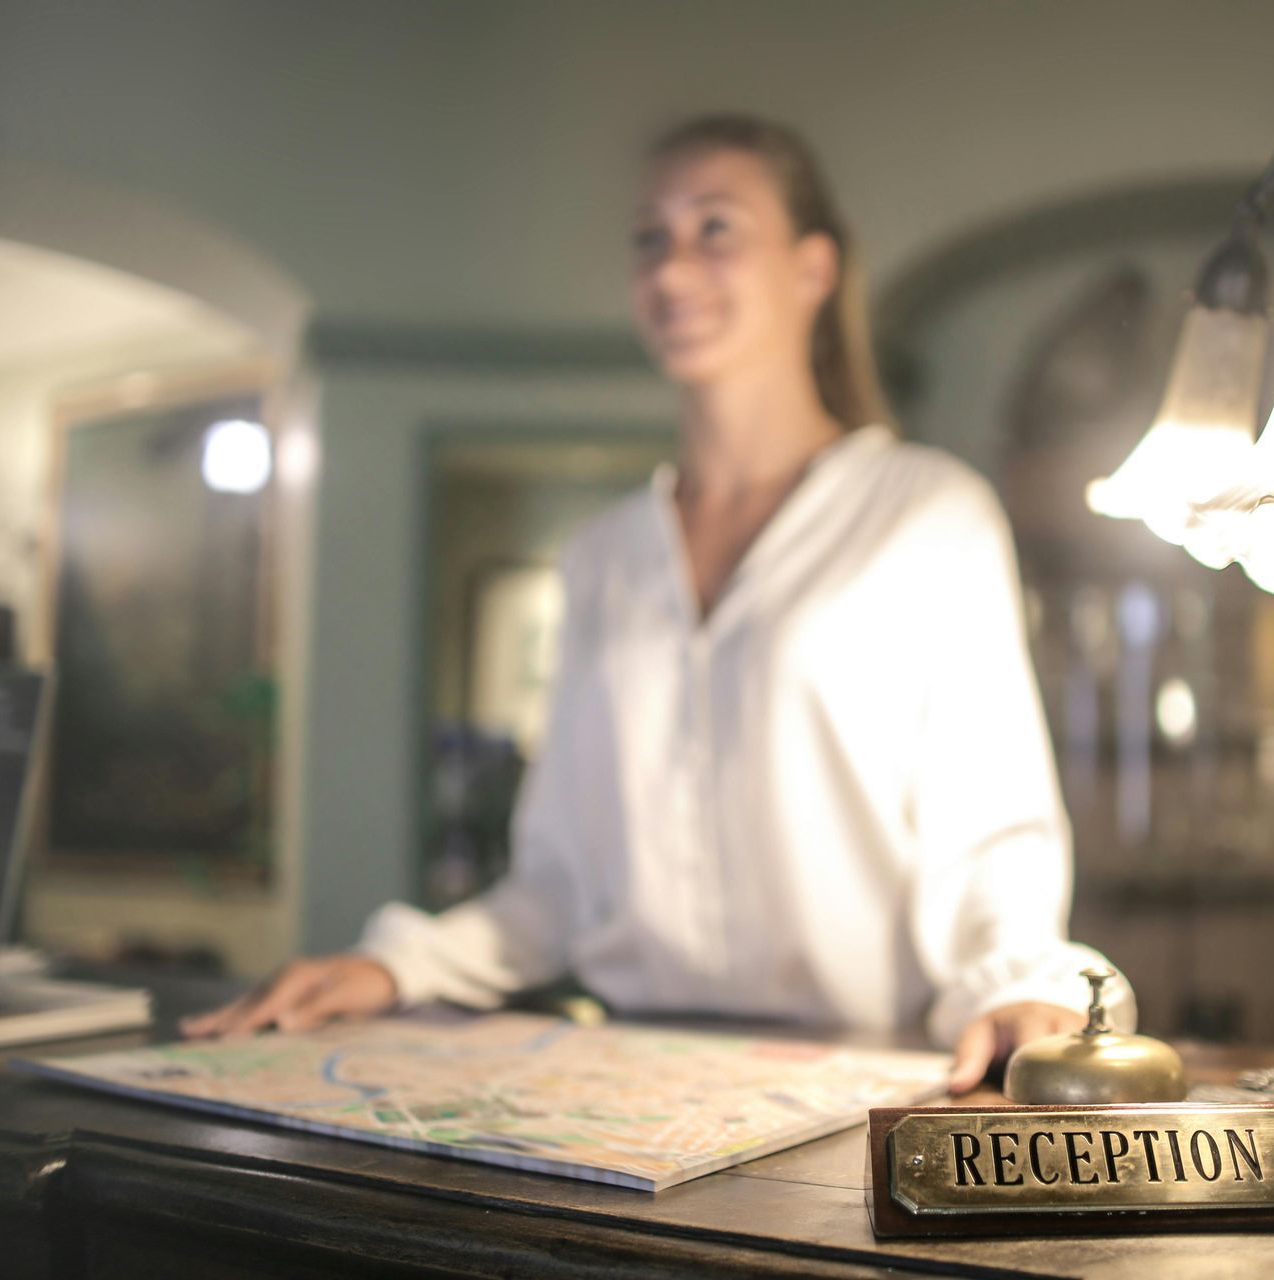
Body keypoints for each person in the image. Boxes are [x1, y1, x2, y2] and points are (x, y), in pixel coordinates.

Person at [184, 113, 1135, 1092]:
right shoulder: (602, 557)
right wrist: (397, 963)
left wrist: (1022, 982)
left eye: (715, 228)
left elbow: (990, 829)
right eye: (651, 238)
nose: (672, 271)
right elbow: (555, 883)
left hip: (859, 1076)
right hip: (624, 1080)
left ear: (813, 267)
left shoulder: (925, 512)